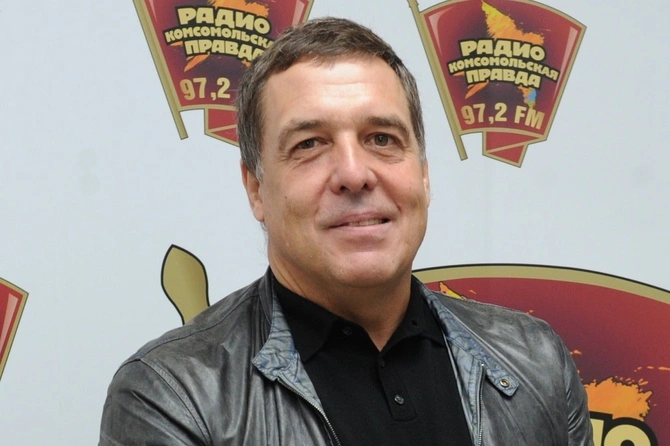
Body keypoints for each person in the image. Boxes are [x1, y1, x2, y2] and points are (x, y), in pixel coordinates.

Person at [100, 17, 593, 445]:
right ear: (255, 188)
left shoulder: (537, 362)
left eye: (382, 138)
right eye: (310, 144)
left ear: (423, 174)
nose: (354, 174)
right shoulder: (172, 395)